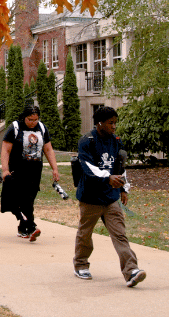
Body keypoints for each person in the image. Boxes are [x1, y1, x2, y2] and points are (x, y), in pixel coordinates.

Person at [73, 106, 146, 287]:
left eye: (115, 122)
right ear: (99, 123)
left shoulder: (116, 141)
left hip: (111, 197)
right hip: (90, 197)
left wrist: (123, 188)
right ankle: (81, 264)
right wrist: (107, 178)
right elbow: (87, 167)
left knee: (120, 235)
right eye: (110, 123)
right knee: (85, 234)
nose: (114, 126)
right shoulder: (87, 141)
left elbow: (120, 167)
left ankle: (131, 271)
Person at [0, 105, 60, 242]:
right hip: (17, 170)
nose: (33, 122)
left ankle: (23, 228)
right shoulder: (15, 127)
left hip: (35, 171)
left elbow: (48, 149)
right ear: (24, 117)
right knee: (23, 199)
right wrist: (5, 170)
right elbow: (5, 150)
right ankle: (32, 227)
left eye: (36, 119)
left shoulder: (42, 128)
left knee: (30, 199)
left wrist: (55, 168)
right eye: (30, 119)